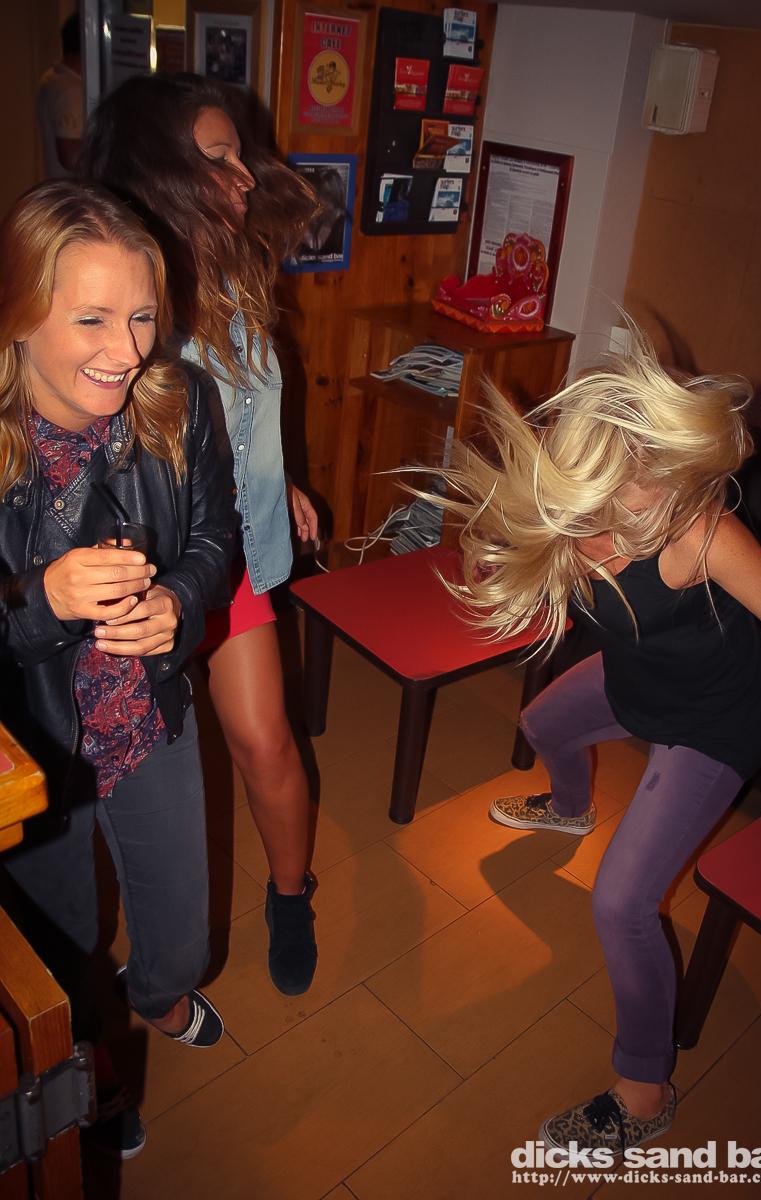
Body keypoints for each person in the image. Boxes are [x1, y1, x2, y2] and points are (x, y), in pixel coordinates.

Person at [423, 336, 761, 1157]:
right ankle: (570, 809)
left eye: (665, 470)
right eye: (643, 472)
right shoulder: (565, 511)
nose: (662, 489)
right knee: (541, 725)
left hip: (716, 722)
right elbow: (506, 560)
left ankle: (644, 1090)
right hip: (639, 683)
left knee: (621, 904)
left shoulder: (702, 533)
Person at [0, 181, 236, 1154]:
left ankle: (159, 995)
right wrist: (38, 601)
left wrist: (179, 602)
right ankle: (92, 1081)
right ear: (19, 315)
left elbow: (216, 539)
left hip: (146, 714)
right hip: (30, 748)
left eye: (142, 315)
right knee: (61, 955)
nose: (128, 350)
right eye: (91, 318)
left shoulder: (182, 402)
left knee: (181, 936)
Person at [83, 74, 323, 995]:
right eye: (218, 158)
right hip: (131, 573)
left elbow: (241, 410)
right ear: (162, 169)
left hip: (231, 556)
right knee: (124, 773)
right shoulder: (121, 295)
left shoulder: (235, 270)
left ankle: (291, 896)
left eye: (237, 155)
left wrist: (277, 477)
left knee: (265, 742)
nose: (244, 176)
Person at [36, 11, 83, 178]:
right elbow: (70, 157)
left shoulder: (52, 77)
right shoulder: (70, 90)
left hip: (58, 184)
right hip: (73, 188)